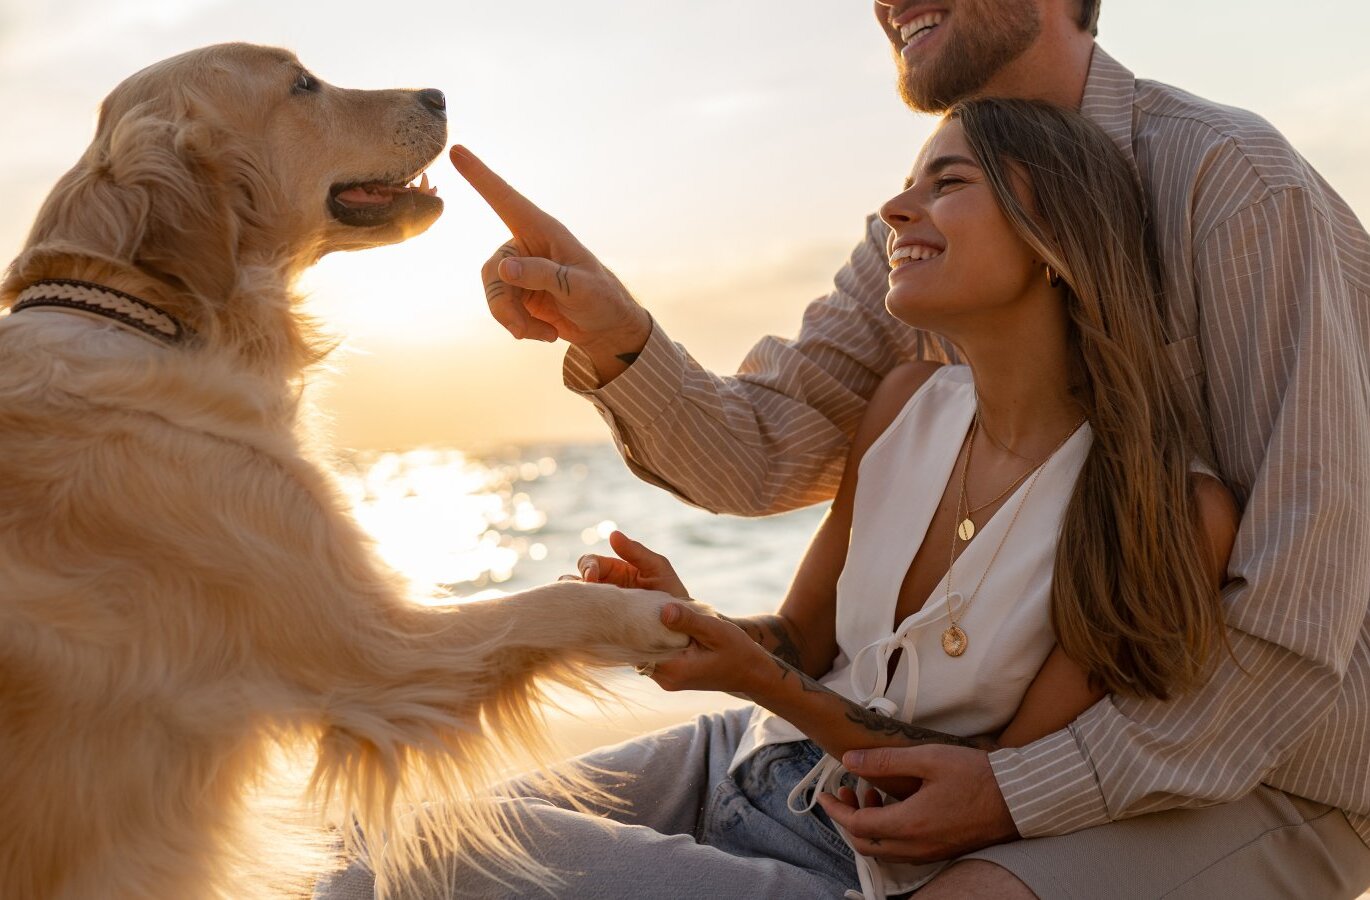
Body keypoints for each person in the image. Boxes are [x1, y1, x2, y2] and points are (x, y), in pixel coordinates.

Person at [440, 0, 1370, 896]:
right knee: (404, 845)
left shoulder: (1232, 181)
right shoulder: (918, 263)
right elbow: (769, 451)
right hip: (852, 754)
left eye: (951, 185)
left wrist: (1016, 792)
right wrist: (614, 332)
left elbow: (1304, 594)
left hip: (1276, 763)